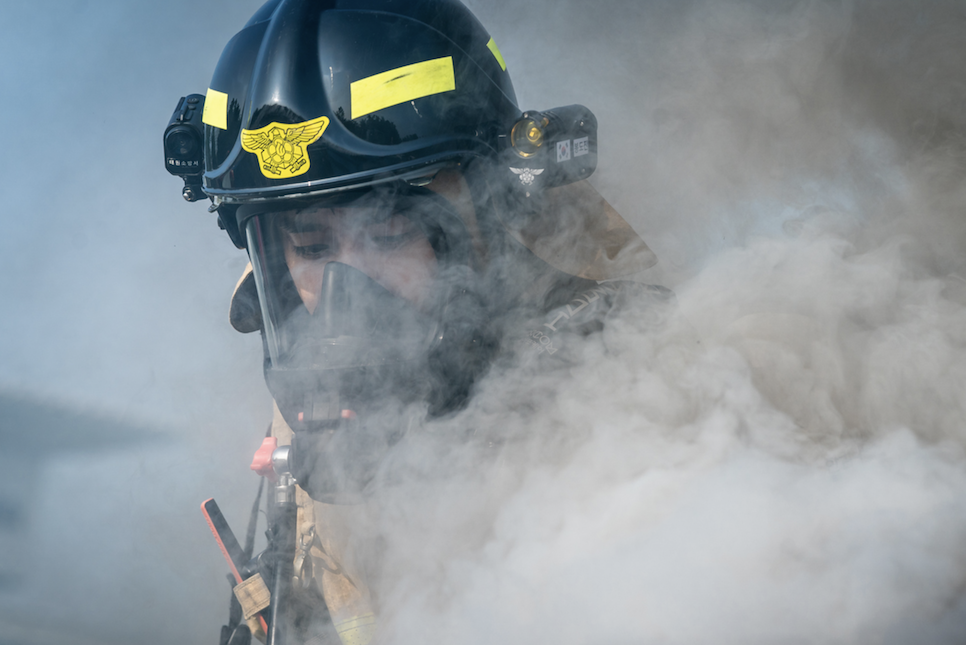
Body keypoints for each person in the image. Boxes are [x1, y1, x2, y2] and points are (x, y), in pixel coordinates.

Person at [170, 0, 667, 643]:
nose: (348, 294)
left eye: (388, 231)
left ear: (489, 228)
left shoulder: (634, 387)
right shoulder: (309, 431)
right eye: (312, 248)